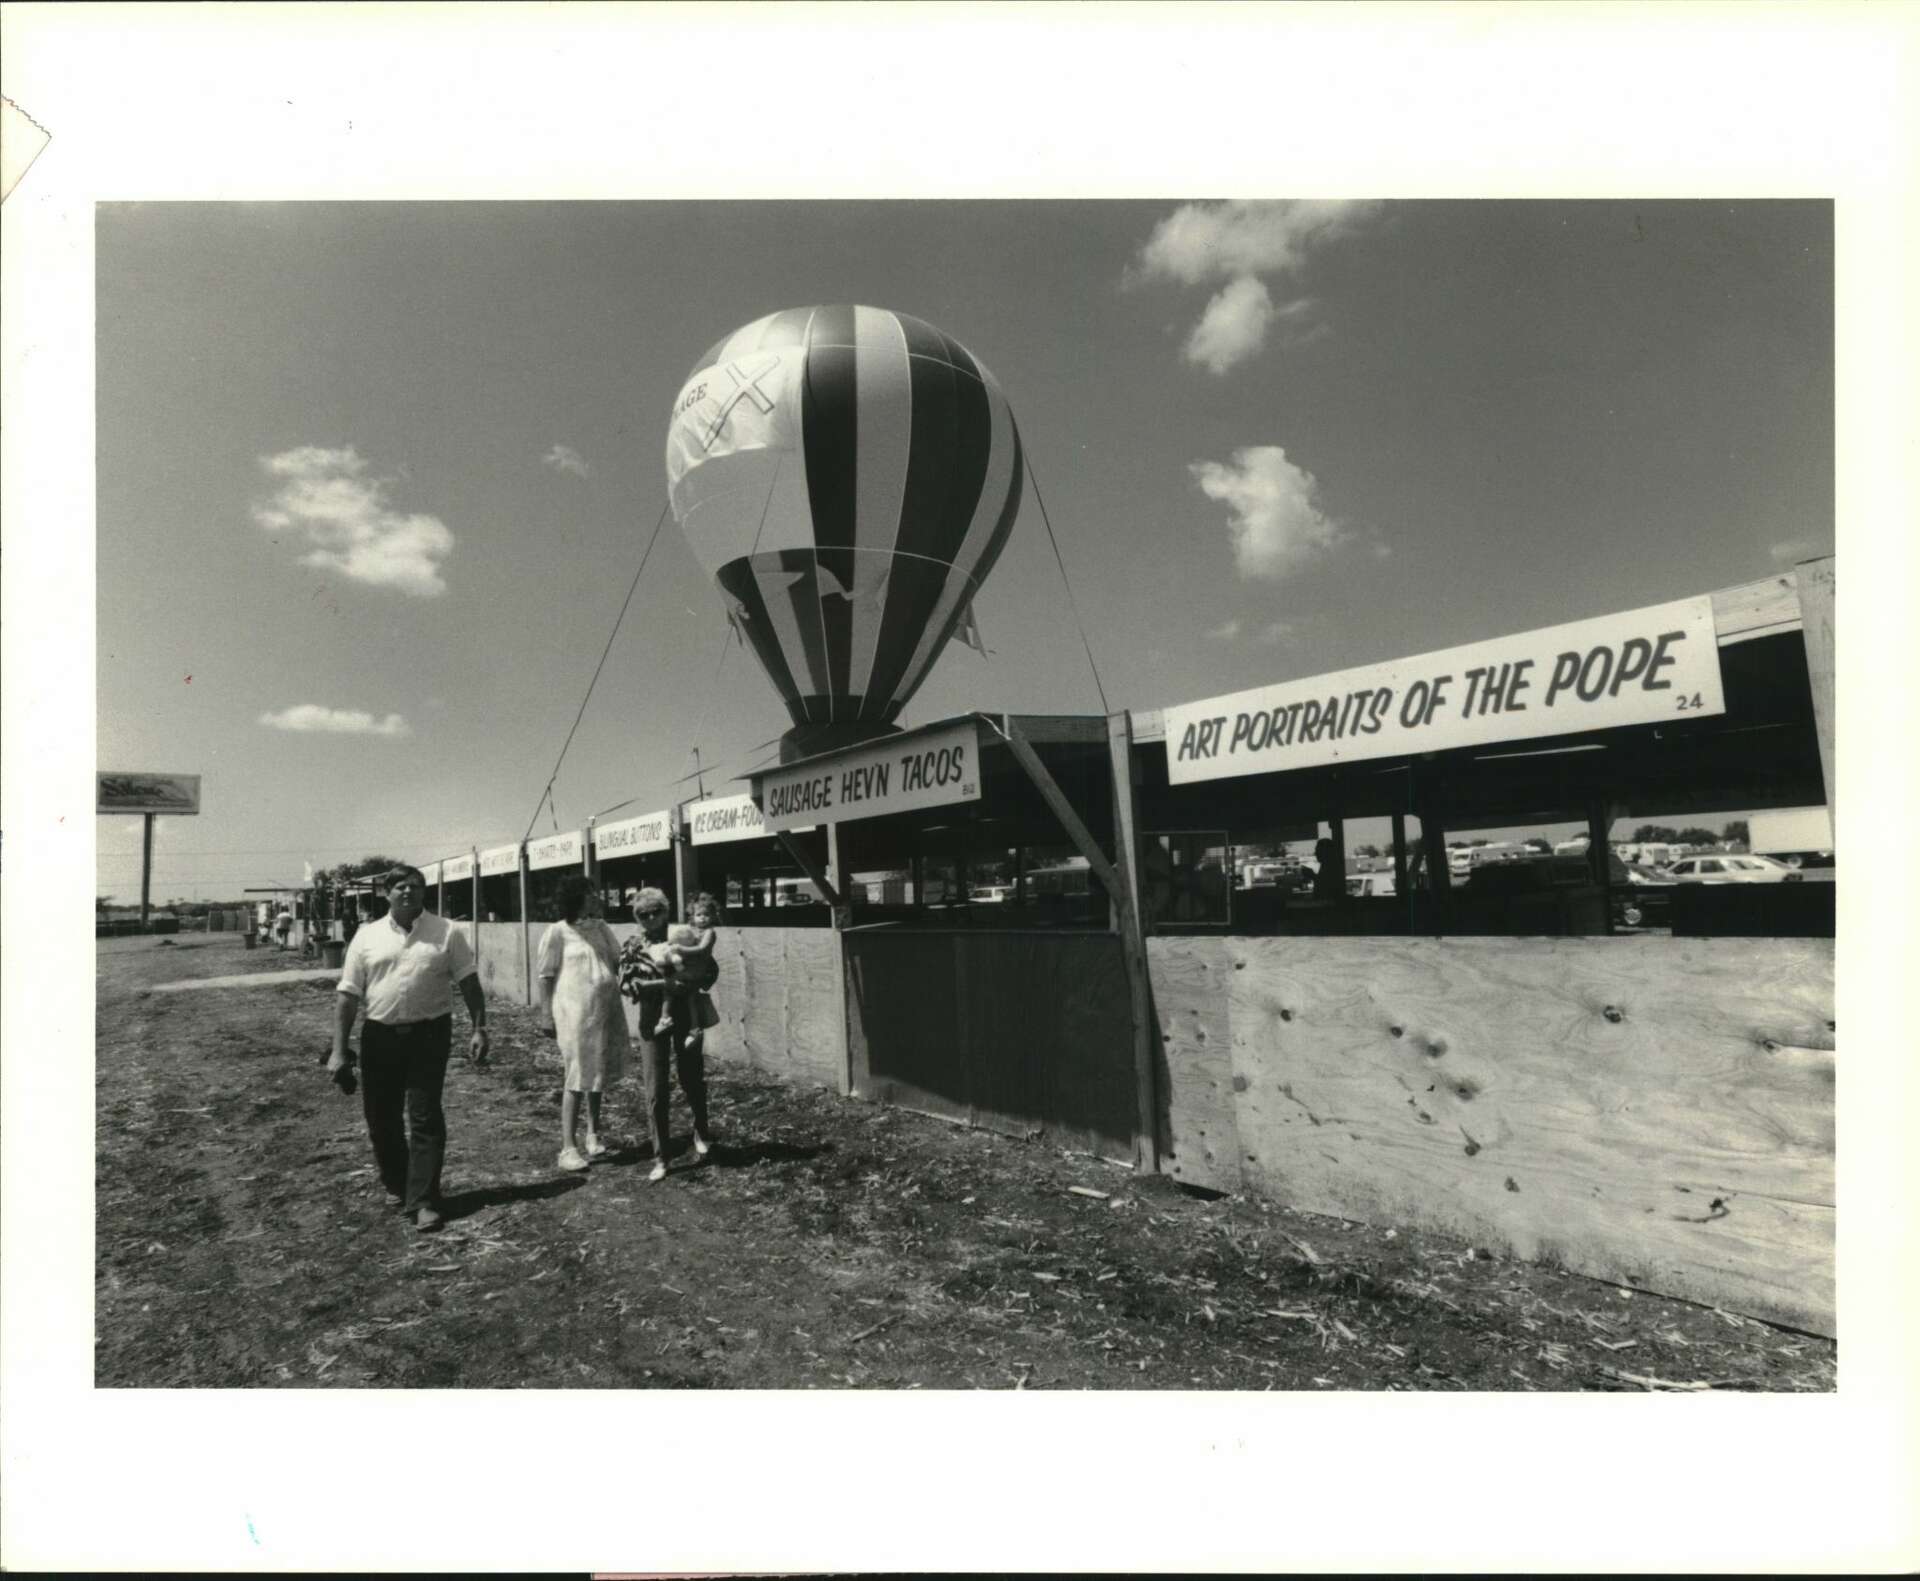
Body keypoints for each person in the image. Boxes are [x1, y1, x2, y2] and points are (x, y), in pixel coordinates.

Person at [327, 865, 489, 1233]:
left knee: (424, 1115)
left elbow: (470, 983)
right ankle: (400, 1184)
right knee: (381, 1120)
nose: (408, 892)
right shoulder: (366, 937)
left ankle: (425, 1200)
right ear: (386, 893)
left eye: (416, 887)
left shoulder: (446, 932)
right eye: (401, 887)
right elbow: (348, 995)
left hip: (429, 1036)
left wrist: (480, 1029)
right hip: (379, 1036)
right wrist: (339, 1049)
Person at [618, 887, 714, 1182]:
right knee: (656, 1088)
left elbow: (710, 971)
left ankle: (701, 1130)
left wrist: (691, 980)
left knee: (690, 1076)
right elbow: (625, 983)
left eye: (655, 912)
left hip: (684, 1012)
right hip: (651, 1018)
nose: (650, 918)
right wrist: (659, 986)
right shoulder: (633, 945)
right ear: (636, 917)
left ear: (665, 912)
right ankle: (661, 1155)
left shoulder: (683, 935)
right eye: (643, 914)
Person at [535, 874, 630, 1173]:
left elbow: (619, 960)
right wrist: (546, 1014)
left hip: (604, 1010)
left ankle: (593, 1134)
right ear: (575, 897)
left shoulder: (601, 928)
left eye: (595, 893)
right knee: (577, 1073)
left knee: (597, 1071)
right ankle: (567, 1147)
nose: (595, 897)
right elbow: (546, 975)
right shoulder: (558, 932)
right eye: (588, 893)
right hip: (573, 1014)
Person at [650, 891, 721, 1040]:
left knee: (668, 985)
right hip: (690, 968)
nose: (702, 918)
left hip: (697, 969)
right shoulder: (693, 930)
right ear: (693, 917)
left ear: (713, 916)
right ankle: (694, 1029)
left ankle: (665, 1018)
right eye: (698, 915)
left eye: (706, 915)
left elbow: (701, 949)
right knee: (691, 997)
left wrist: (681, 949)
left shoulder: (709, 932)